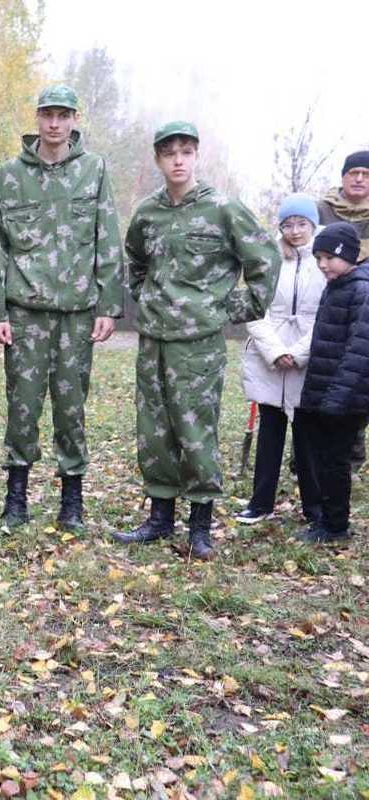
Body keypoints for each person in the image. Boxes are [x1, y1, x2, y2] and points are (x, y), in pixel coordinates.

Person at [113, 121, 280, 560]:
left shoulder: (223, 209)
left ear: (196, 156)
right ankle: (160, 518)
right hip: (154, 337)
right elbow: (134, 257)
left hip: (198, 343)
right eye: (169, 153)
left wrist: (233, 309)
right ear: (158, 160)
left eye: (186, 152)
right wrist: (146, 296)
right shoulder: (148, 212)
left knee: (195, 429)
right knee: (155, 430)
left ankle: (200, 526)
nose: (178, 160)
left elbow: (264, 257)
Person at [0, 84, 123, 532]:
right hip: (25, 310)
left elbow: (107, 236)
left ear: (75, 119)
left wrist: (108, 304)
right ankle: (17, 498)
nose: (55, 124)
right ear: (37, 118)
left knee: (71, 406)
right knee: (21, 405)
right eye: (48, 115)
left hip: (77, 311)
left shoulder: (94, 170)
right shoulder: (10, 174)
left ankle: (71, 501)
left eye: (64, 115)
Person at [235, 193, 324, 525]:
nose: (295, 231)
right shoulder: (268, 259)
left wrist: (299, 353)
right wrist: (275, 351)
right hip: (269, 358)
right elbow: (255, 310)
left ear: (312, 225)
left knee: (307, 437)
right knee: (270, 432)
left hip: (307, 359)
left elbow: (324, 314)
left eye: (302, 223)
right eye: (288, 224)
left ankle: (314, 506)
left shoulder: (323, 260)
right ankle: (261, 503)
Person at [293, 222, 369, 543]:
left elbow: (359, 350)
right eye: (318, 259)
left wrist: (337, 398)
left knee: (336, 461)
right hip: (327, 393)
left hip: (347, 399)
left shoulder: (361, 291)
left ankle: (336, 526)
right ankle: (324, 517)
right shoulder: (338, 287)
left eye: (329, 258)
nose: (322, 265)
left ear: (348, 256)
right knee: (324, 458)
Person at [317, 150, 369, 468]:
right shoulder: (322, 209)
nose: (360, 179)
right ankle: (306, 456)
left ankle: (353, 452)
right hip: (324, 300)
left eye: (366, 174)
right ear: (343, 177)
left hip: (364, 300)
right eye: (354, 173)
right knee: (323, 372)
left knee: (357, 373)